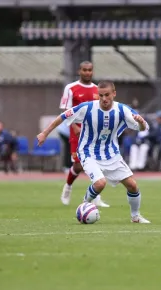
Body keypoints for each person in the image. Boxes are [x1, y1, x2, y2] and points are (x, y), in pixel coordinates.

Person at [38, 80, 150, 223]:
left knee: (133, 186)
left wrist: (140, 122)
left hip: (111, 154)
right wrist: (44, 133)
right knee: (100, 183)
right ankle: (84, 206)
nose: (104, 98)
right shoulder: (87, 108)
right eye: (101, 95)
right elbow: (63, 116)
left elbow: (143, 127)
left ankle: (135, 216)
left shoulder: (122, 110)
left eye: (107, 95)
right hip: (88, 152)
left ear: (114, 94)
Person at [59, 61, 109, 208]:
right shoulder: (71, 88)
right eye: (84, 70)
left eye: (90, 70)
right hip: (77, 132)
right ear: (79, 71)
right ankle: (68, 187)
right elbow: (65, 110)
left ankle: (96, 196)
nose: (87, 72)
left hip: (93, 132)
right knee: (79, 164)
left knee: (96, 162)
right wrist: (74, 125)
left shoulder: (97, 89)